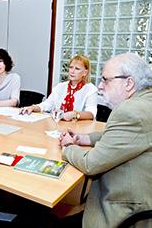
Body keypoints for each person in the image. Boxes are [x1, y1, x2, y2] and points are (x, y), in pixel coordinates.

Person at [59, 53, 152, 227]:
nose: (100, 86)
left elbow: (90, 163)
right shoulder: (145, 101)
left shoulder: (131, 111)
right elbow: (124, 135)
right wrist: (85, 138)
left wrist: (68, 147)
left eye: (105, 80)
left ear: (129, 83)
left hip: (125, 209)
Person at [20, 55, 97, 121]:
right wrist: (33, 107)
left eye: (77, 69)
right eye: (71, 67)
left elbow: (91, 114)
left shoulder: (90, 89)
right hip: (58, 124)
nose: (72, 71)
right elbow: (47, 105)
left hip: (78, 128)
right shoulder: (60, 86)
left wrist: (75, 114)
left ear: (85, 72)